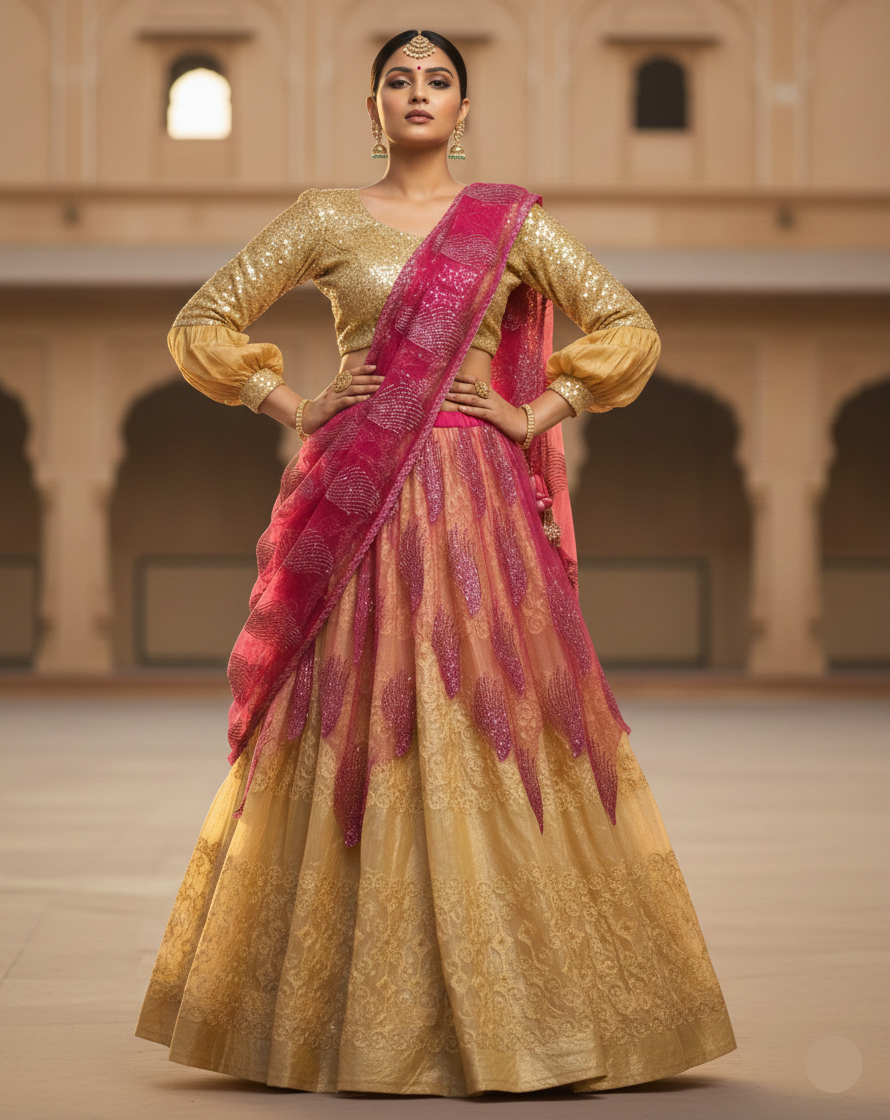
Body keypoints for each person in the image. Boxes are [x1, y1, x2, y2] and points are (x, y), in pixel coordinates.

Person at [136, 29, 736, 1097]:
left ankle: (532, 1011)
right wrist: (294, 400)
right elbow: (202, 321)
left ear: (464, 111)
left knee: (488, 715)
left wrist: (531, 408)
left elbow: (626, 326)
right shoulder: (323, 217)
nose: (419, 94)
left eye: (438, 81)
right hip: (359, 499)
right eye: (400, 81)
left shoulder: (509, 224)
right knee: (360, 719)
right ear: (374, 106)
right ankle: (345, 1015)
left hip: (476, 511)